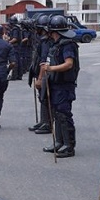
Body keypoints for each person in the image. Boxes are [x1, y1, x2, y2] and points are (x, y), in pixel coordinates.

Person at [37, 15, 79, 159]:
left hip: (64, 86)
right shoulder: (56, 44)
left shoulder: (67, 45)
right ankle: (59, 142)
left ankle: (69, 145)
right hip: (55, 84)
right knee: (57, 115)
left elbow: (69, 64)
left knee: (64, 115)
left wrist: (51, 68)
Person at [28, 15, 53, 134]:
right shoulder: (43, 40)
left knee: (45, 98)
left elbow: (44, 61)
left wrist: (40, 78)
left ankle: (47, 123)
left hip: (44, 74)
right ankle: (43, 121)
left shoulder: (46, 42)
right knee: (42, 98)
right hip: (41, 72)